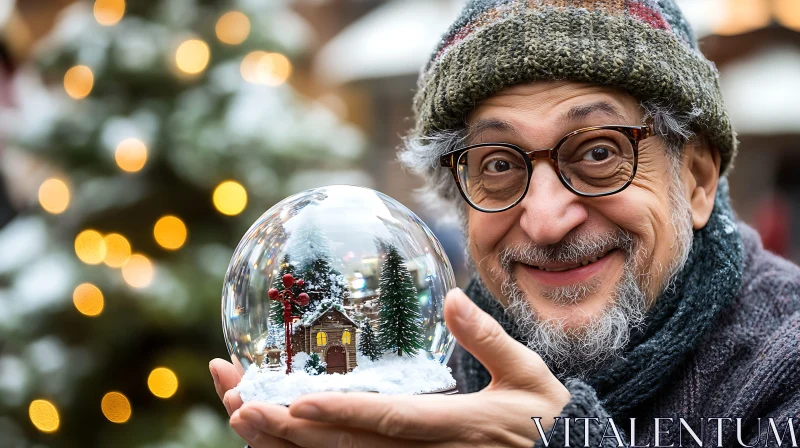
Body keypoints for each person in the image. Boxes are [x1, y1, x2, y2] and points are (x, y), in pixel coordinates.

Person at [210, 1, 800, 446]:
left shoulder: (786, 367)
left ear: (695, 180)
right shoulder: (413, 370)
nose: (545, 221)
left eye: (598, 153)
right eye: (497, 163)